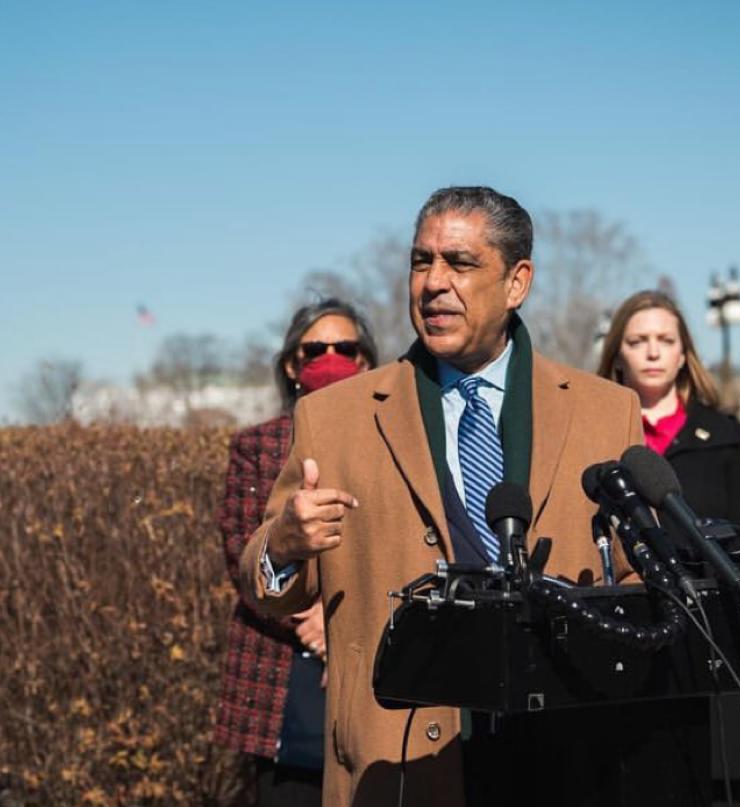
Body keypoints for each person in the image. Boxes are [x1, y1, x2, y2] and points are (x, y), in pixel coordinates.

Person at [238, 187, 645, 807]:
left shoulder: (606, 414)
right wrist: (285, 545)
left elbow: (641, 580)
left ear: (517, 282)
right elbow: (264, 582)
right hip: (398, 764)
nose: (433, 283)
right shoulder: (335, 418)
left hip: (567, 756)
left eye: (460, 263)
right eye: (421, 261)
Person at [598, 289, 740, 803]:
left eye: (664, 340)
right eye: (638, 340)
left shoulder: (724, 436)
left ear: (683, 353)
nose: (652, 351)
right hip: (624, 657)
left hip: (715, 658)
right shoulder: (593, 436)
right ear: (617, 354)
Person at [215, 299, 378, 805]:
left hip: (367, 654)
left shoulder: (386, 440)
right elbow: (241, 549)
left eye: (345, 347)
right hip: (281, 661)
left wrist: (343, 626)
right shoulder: (257, 445)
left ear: (366, 361)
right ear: (292, 362)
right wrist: (311, 621)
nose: (331, 357)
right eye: (316, 348)